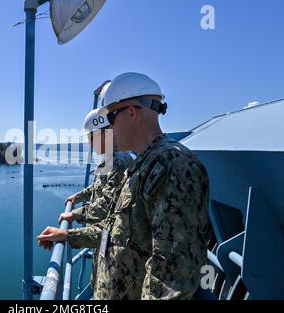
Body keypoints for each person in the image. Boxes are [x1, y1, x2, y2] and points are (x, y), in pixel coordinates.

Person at [38, 72, 210, 300]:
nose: (109, 129)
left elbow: (172, 278)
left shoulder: (172, 166)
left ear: (131, 113)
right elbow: (113, 229)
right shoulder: (142, 165)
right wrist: (67, 236)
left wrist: (72, 223)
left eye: (110, 119)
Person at [39, 108, 134, 289]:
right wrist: (78, 196)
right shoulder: (110, 159)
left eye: (91, 138)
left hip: (117, 248)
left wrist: (74, 215)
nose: (91, 144)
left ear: (104, 133)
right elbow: (99, 187)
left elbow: (106, 206)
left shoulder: (119, 162)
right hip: (105, 239)